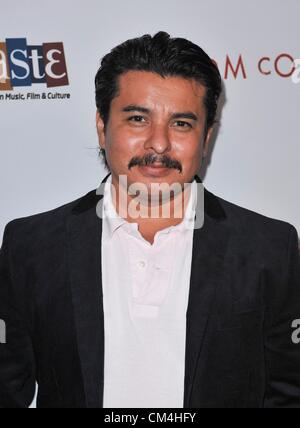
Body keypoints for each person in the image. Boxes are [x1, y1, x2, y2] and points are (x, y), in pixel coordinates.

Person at [0, 31, 299, 408]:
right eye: (138, 118)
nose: (158, 144)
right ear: (101, 125)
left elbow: (290, 391)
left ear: (206, 137)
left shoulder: (268, 248)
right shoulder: (31, 246)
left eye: (181, 124)